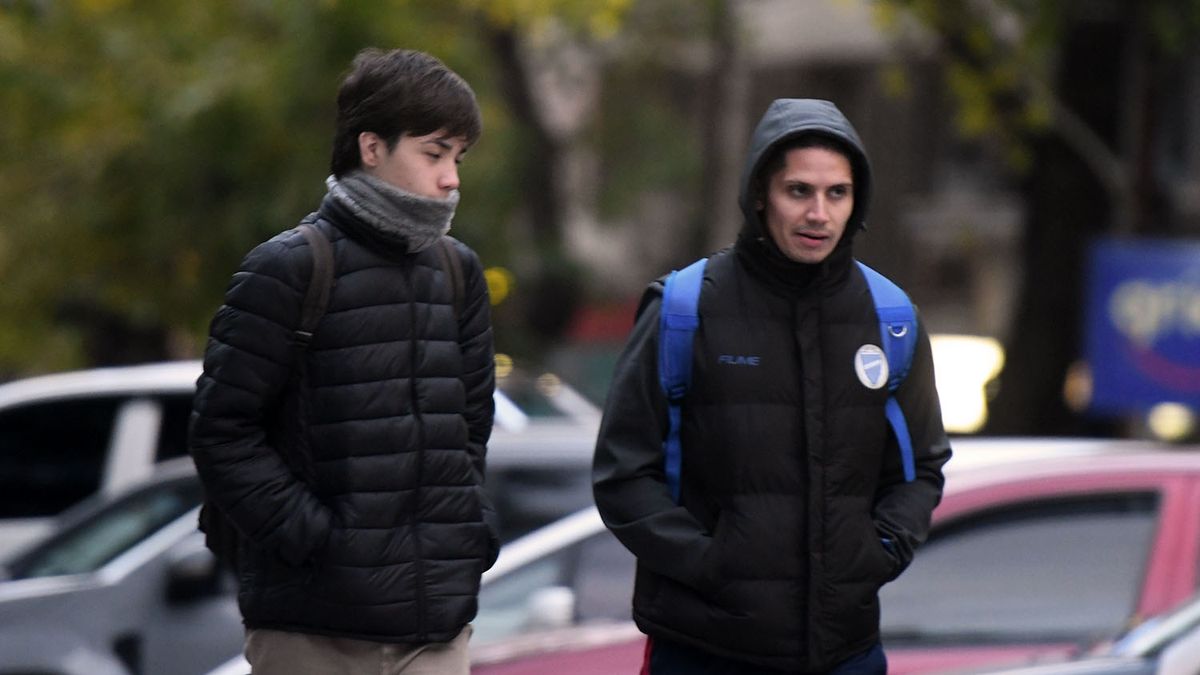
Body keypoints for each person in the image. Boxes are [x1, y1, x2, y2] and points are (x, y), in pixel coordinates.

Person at [592, 98, 952, 674]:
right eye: (799, 191)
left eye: (837, 193)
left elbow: (921, 467)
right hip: (704, 649)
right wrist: (711, 564)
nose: (819, 213)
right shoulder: (685, 308)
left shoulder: (891, 318)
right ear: (760, 193)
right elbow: (623, 472)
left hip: (846, 651)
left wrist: (878, 552)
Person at [189, 48, 498, 675]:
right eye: (433, 153)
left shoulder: (457, 272)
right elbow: (221, 431)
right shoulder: (290, 267)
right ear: (371, 147)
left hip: (436, 628)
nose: (451, 179)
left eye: (457, 158)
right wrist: (320, 540)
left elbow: (471, 427)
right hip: (315, 632)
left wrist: (468, 531)